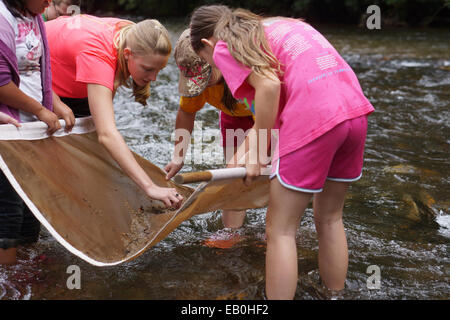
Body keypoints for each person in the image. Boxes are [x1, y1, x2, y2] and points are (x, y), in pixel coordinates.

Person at [189, 5, 374, 299]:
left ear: (208, 45)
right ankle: (335, 295)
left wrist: (259, 148)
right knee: (329, 219)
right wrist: (240, 163)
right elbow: (276, 100)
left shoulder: (224, 46)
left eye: (208, 63)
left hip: (315, 118)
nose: (217, 70)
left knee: (280, 231)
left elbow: (270, 87)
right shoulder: (274, 26)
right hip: (354, 112)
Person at [45, 14, 183, 208]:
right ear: (127, 54)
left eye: (159, 70)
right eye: (147, 69)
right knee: (61, 163)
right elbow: (107, 135)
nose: (153, 78)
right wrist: (150, 187)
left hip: (74, 75)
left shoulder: (138, 35)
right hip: (35, 71)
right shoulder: (98, 57)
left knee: (91, 158)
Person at [0, 0, 75, 265]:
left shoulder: (35, 17)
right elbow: (1, 84)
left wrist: (57, 105)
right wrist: (41, 111)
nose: (49, 2)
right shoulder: (1, 17)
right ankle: (7, 280)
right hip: (6, 134)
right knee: (8, 214)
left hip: (32, 132)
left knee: (33, 208)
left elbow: (38, 72)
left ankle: (26, 270)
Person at [164, 29, 254, 230]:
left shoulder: (245, 71)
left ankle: (276, 230)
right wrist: (178, 156)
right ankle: (231, 233)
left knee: (272, 171)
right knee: (235, 177)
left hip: (270, 114)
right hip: (233, 117)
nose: (201, 86)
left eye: (206, 78)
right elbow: (186, 113)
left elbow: (269, 118)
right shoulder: (196, 82)